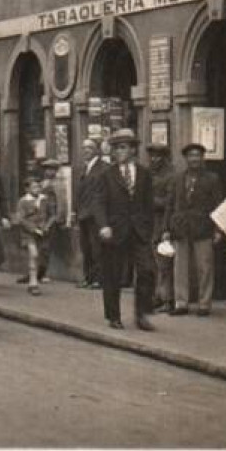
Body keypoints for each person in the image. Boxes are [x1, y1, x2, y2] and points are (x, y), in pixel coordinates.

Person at [97, 129, 156, 332]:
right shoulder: (106, 174)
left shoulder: (144, 174)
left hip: (139, 230)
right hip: (115, 230)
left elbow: (148, 204)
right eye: (115, 149)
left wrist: (150, 229)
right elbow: (99, 202)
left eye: (123, 148)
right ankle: (114, 316)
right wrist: (104, 225)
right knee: (114, 274)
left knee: (147, 270)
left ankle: (141, 315)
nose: (118, 152)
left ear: (132, 150)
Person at [166, 142, 225, 316]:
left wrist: (218, 229)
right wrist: (166, 228)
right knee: (180, 267)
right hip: (181, 226)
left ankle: (204, 303)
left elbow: (218, 205)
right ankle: (181, 302)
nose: (194, 159)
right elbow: (170, 204)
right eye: (190, 156)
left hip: (203, 227)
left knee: (205, 266)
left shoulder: (212, 179)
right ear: (185, 158)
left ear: (202, 158)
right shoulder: (177, 179)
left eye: (197, 156)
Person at [70, 138, 110, 288]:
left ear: (97, 150)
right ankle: (88, 277)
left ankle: (99, 278)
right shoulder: (83, 169)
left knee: (97, 248)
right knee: (86, 247)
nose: (86, 151)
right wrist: (74, 210)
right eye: (84, 148)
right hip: (83, 214)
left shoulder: (104, 168)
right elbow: (78, 192)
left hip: (96, 215)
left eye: (89, 148)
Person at [146, 143, 180, 312]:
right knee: (153, 263)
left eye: (158, 156)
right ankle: (157, 296)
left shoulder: (171, 176)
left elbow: (170, 202)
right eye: (152, 156)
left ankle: (168, 298)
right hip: (149, 223)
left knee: (165, 263)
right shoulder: (148, 173)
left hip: (162, 222)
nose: (154, 159)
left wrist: (149, 201)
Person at [8, 174, 52, 296]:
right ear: (27, 189)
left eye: (38, 187)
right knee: (34, 254)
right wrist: (33, 229)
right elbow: (21, 219)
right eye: (34, 187)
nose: (37, 189)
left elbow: (52, 214)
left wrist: (47, 226)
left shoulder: (44, 199)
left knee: (41, 256)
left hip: (43, 232)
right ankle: (33, 283)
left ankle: (35, 278)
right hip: (29, 233)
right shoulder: (23, 201)